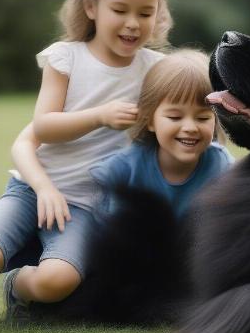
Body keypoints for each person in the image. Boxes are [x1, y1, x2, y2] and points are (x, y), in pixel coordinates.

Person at [0, 0, 172, 323]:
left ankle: (18, 288)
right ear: (91, 6)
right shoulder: (66, 57)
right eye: (119, 10)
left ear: (159, 13)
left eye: (145, 12)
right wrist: (100, 116)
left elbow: (182, 106)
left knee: (58, 280)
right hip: (32, 189)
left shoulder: (155, 69)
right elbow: (44, 127)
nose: (133, 23)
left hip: (86, 207)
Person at [89, 49, 234, 220]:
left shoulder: (220, 164)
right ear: (150, 120)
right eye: (175, 117)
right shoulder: (127, 169)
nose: (190, 127)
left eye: (202, 118)